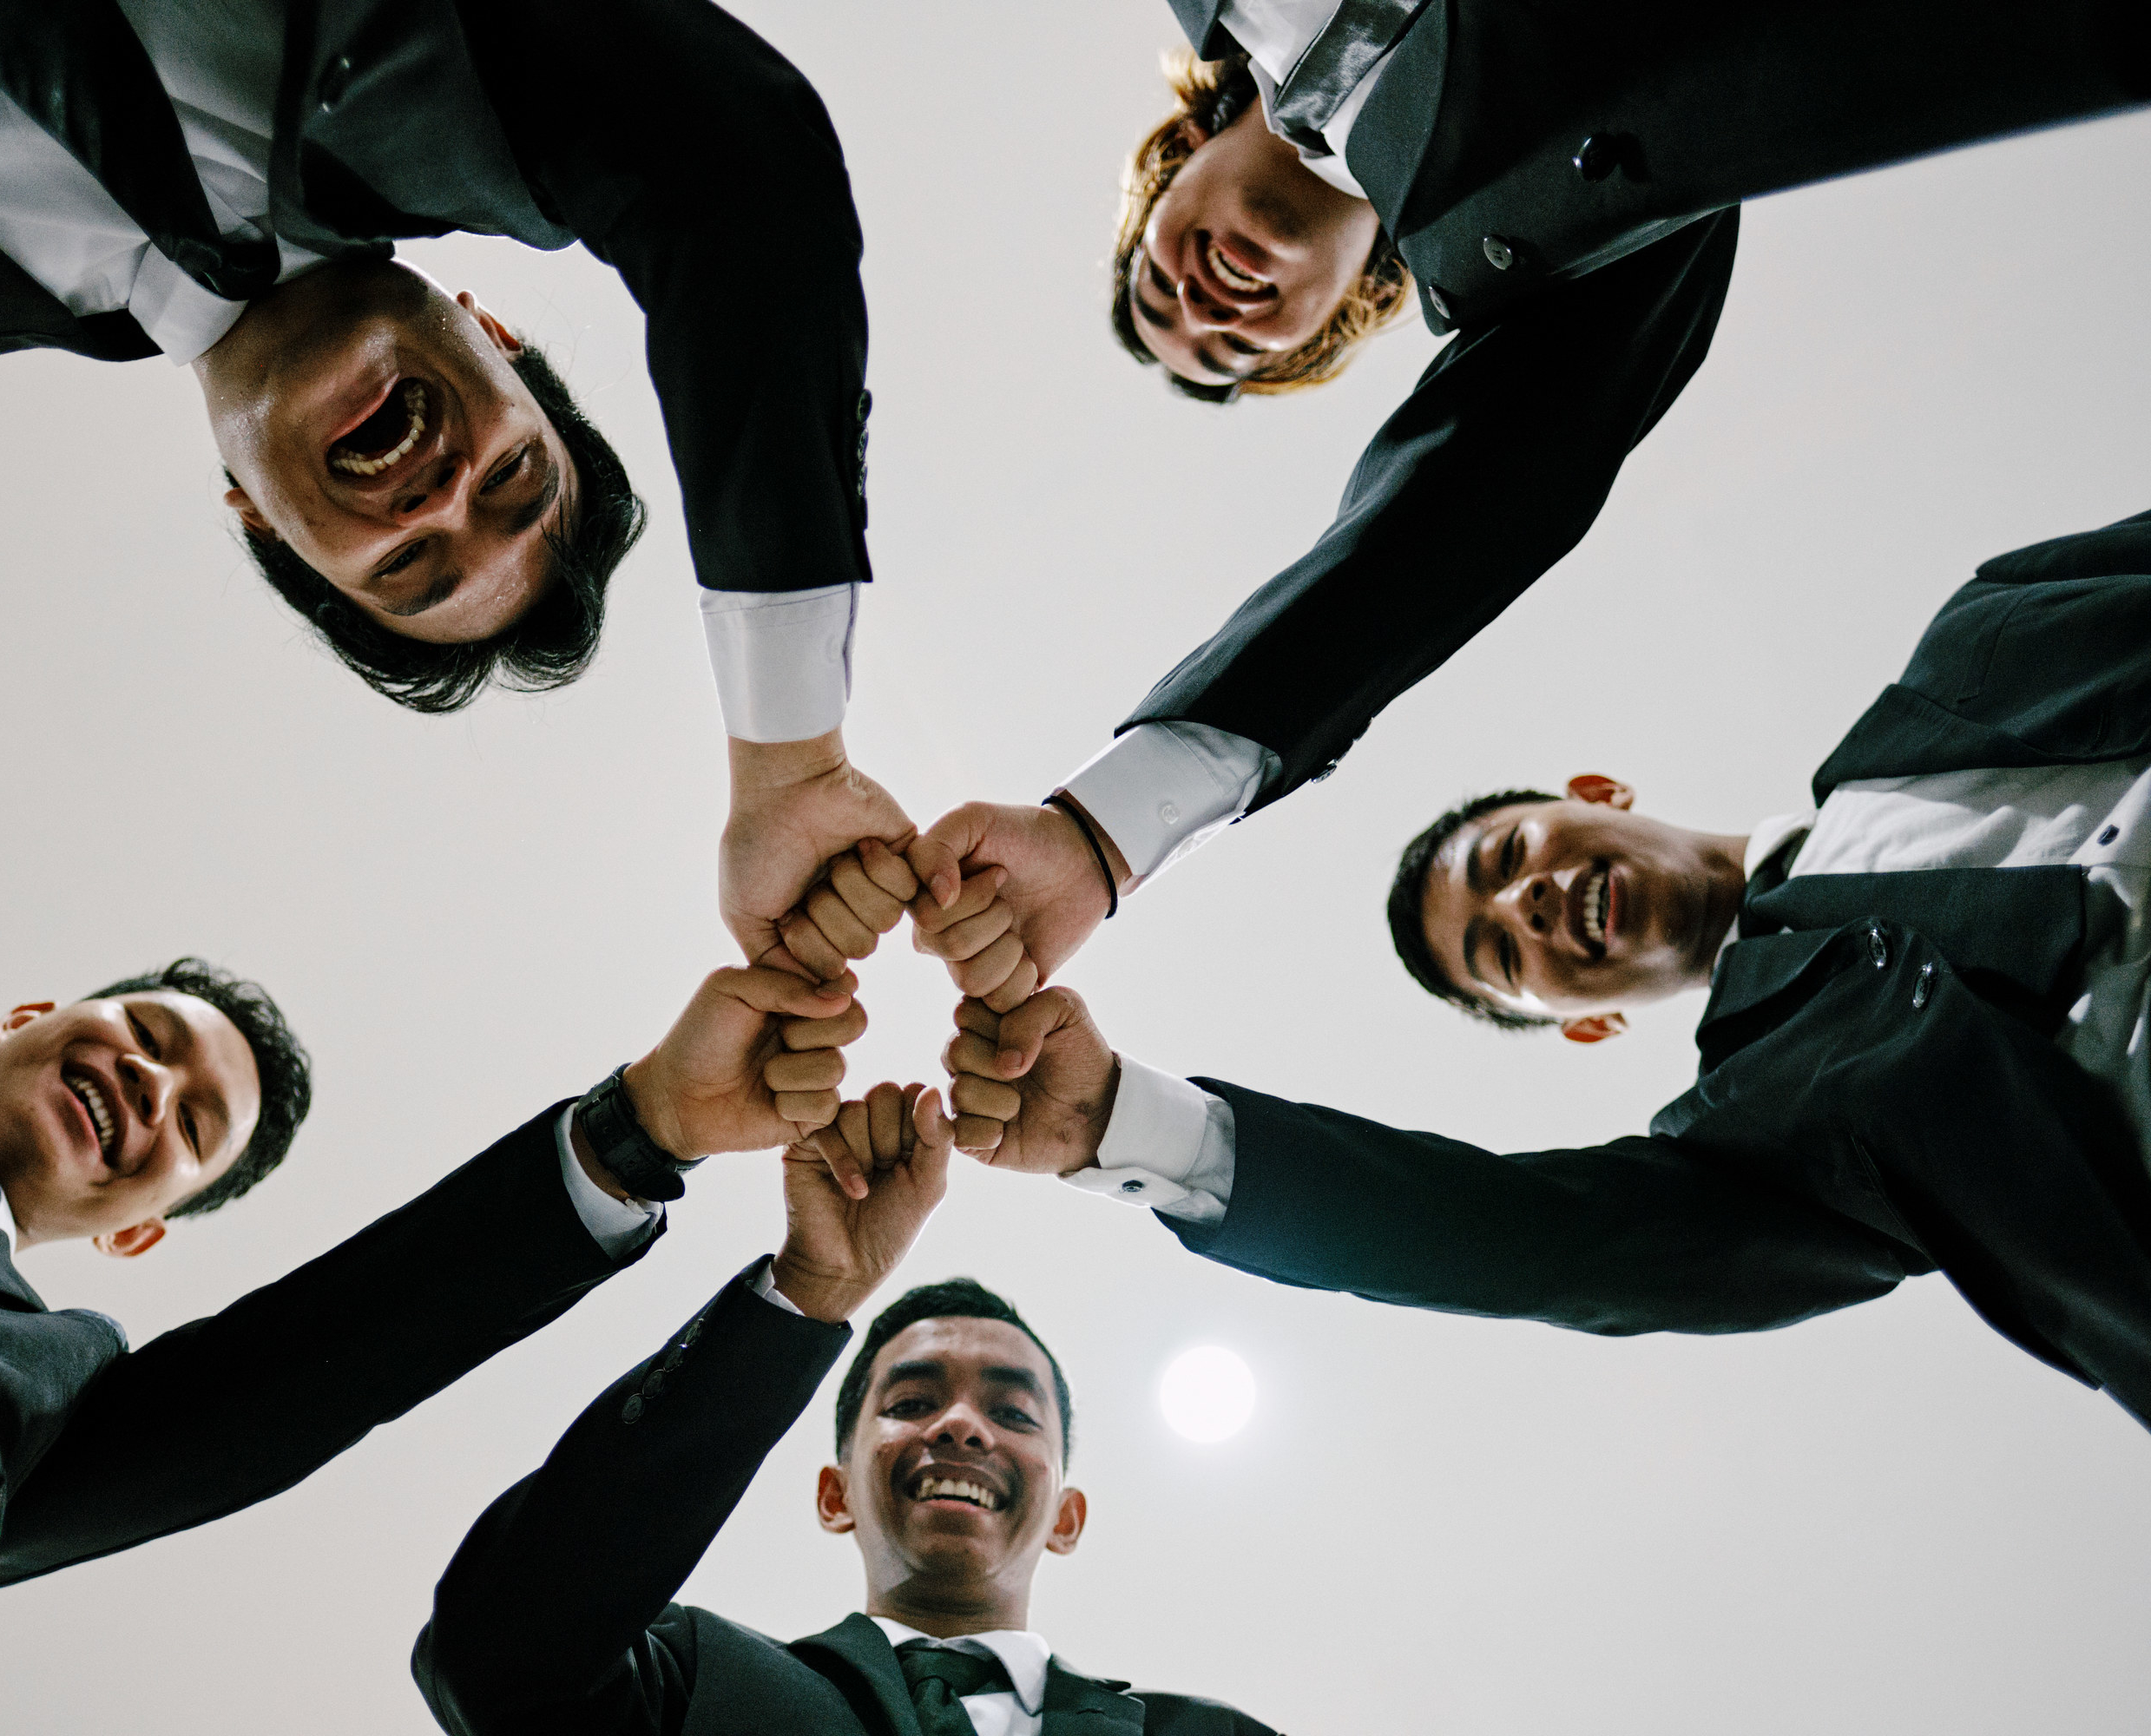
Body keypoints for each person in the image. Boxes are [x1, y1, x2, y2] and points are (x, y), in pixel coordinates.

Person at [0, 0, 937, 966]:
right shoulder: (447, 55)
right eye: (516, 476)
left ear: (257, 523)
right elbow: (736, 176)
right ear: (496, 334)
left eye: (408, 568)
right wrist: (787, 754)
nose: (444, 499)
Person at [874, 3, 2149, 997]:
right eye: (1231, 351)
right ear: (1346, 311)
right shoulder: (1564, 237)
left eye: (1158, 287)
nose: (1201, 313)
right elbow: (1467, 511)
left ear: (1162, 175)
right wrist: (1104, 835)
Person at [0, 851, 864, 1735]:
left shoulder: (30, 1402)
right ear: (28, 1018)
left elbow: (309, 1371)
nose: (150, 1086)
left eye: (190, 1125)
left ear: (138, 1236)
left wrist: (639, 1130)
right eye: (150, 1038)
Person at [930, 509, 2151, 1433]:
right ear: (1582, 1026)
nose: (1533, 901)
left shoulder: (1979, 641)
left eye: (1510, 857)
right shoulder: (1768, 1136)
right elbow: (1526, 1243)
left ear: (1597, 796)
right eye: (1505, 950)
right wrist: (1122, 1124)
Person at [416, 1088, 1278, 1735]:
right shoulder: (688, 1681)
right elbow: (494, 1654)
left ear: (1067, 1514)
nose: (961, 1425)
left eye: (1014, 1413)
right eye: (910, 1400)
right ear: (834, 1493)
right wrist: (808, 1290)